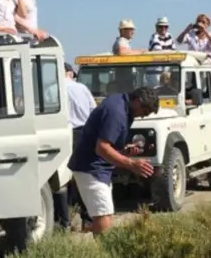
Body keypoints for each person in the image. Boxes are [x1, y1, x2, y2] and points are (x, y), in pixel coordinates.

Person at [68, 86, 159, 234]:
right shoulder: (116, 112)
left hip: (98, 167)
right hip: (91, 168)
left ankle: (104, 251)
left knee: (106, 213)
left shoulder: (122, 105)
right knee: (103, 215)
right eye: (145, 111)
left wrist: (123, 151)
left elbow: (105, 144)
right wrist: (131, 164)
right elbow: (102, 148)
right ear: (137, 101)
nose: (143, 116)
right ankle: (104, 253)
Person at [52, 62, 97, 229]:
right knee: (84, 176)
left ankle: (63, 221)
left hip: (61, 134)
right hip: (82, 133)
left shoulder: (52, 89)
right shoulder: (82, 89)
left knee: (61, 179)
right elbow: (93, 111)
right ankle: (88, 220)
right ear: (69, 72)